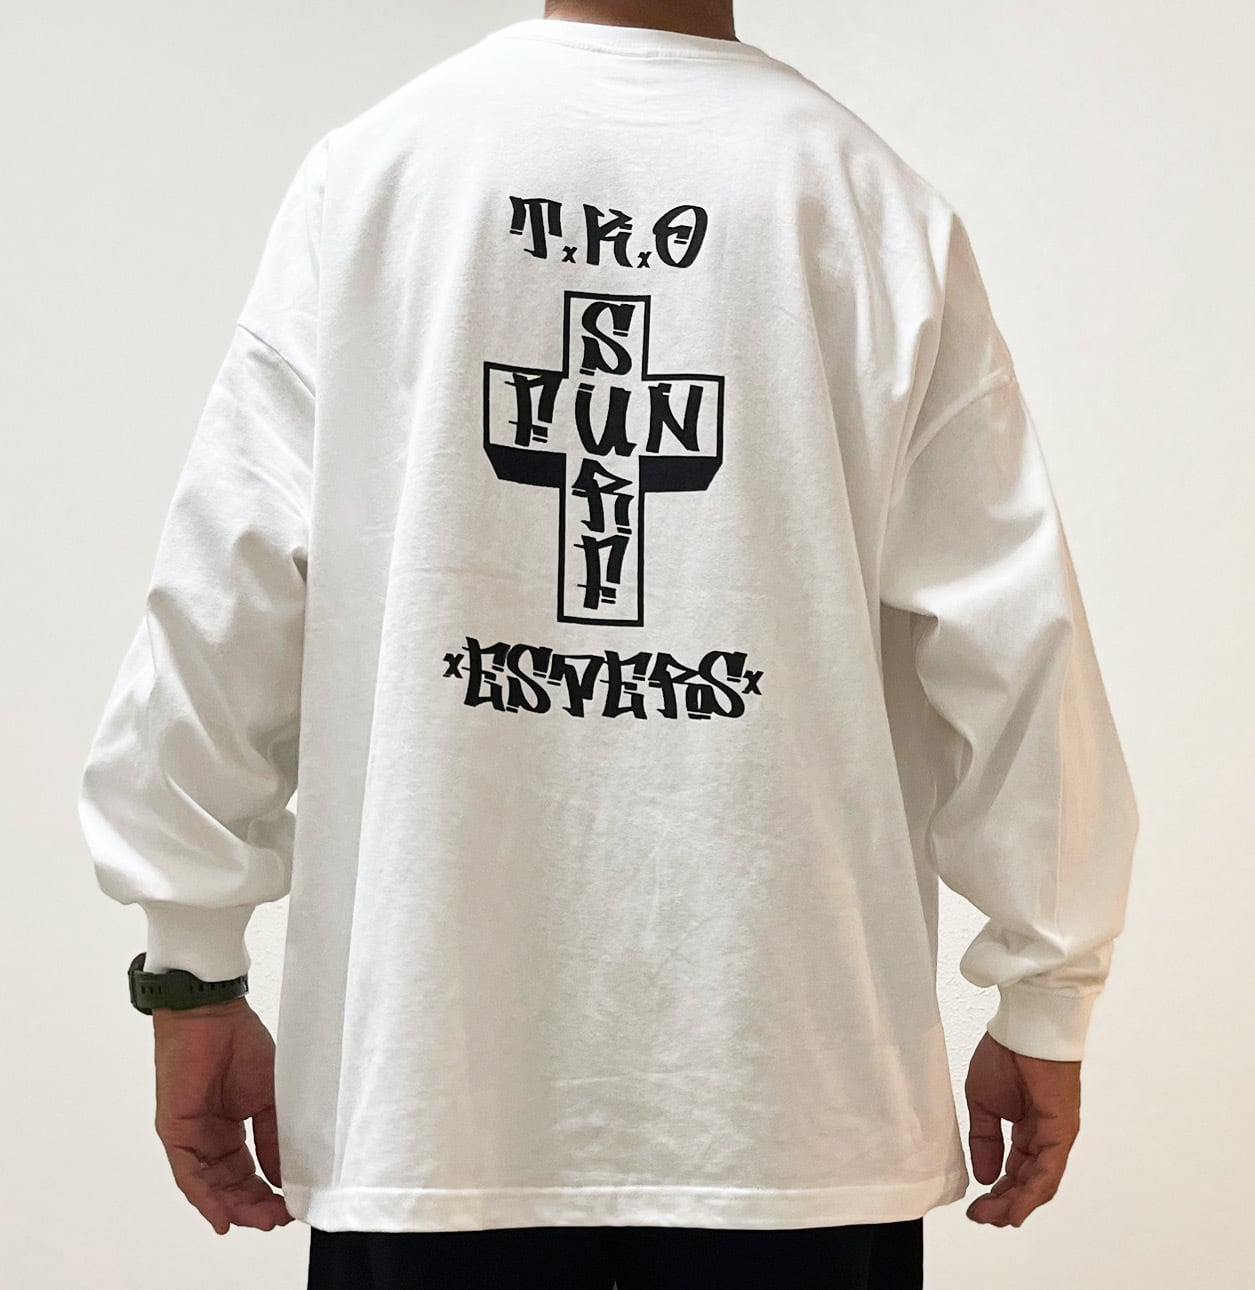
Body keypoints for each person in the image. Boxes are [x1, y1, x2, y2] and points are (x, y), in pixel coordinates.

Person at [76, 2, 1140, 1287]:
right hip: (791, 1111)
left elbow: (224, 595)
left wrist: (190, 966)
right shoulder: (865, 202)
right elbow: (1015, 630)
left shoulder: (380, 177)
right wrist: (1044, 987)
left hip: (434, 1097)